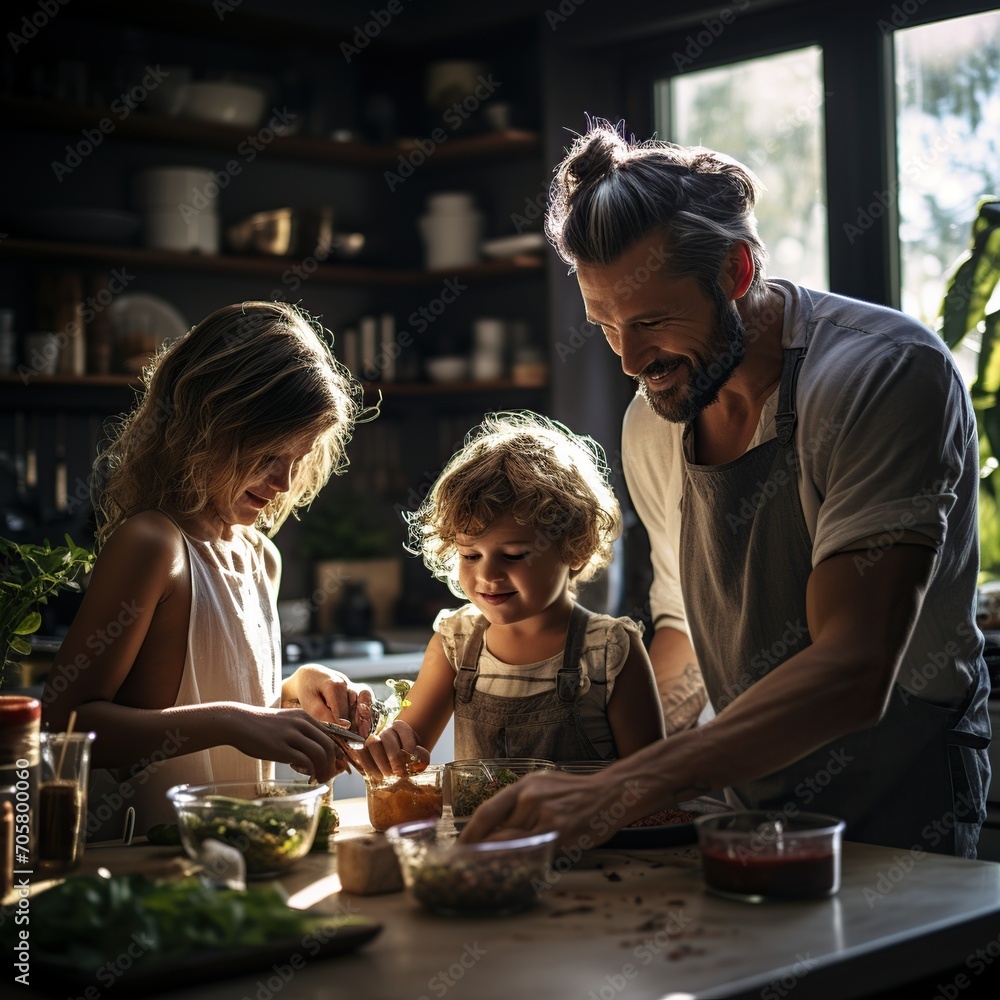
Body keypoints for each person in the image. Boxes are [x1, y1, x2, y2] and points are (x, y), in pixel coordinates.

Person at [460, 121, 991, 857]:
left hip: (903, 804)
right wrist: (601, 765)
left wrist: (622, 788)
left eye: (651, 321)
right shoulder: (655, 418)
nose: (631, 360)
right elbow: (682, 630)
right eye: (606, 326)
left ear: (737, 273)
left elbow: (854, 668)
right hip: (746, 805)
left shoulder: (884, 374)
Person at [43, 301, 375, 838]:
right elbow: (64, 727)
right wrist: (231, 721)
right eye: (269, 455)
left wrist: (295, 694)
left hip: (244, 862)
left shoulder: (261, 557)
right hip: (155, 867)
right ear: (205, 430)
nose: (284, 483)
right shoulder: (153, 544)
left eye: (299, 458)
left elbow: (222, 693)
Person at [359, 410, 664, 777]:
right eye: (470, 555)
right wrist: (384, 748)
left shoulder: (609, 650)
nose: (487, 574)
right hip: (478, 835)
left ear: (575, 550)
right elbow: (405, 756)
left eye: (514, 555)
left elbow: (649, 783)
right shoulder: (455, 643)